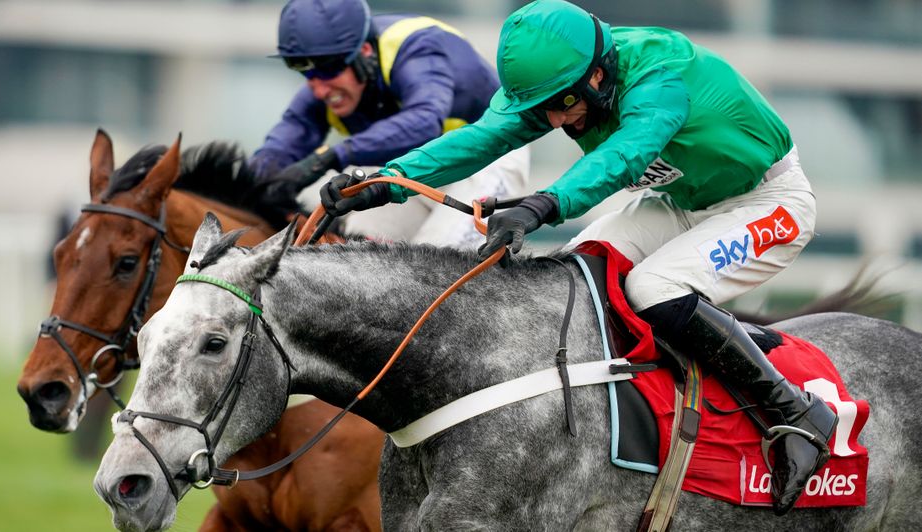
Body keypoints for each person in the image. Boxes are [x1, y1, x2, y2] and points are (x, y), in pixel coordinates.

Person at [319, 0, 836, 515]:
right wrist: (385, 182)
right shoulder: (560, 81)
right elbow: (478, 140)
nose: (556, 119)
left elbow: (622, 158)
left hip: (769, 202)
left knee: (654, 290)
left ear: (597, 72)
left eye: (563, 102)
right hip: (681, 204)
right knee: (571, 278)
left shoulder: (660, 77)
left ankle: (795, 410)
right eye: (544, 108)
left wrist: (541, 206)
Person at [248, 0, 530, 247]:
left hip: (485, 162)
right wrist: (249, 188)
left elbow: (424, 122)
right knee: (353, 261)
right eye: (304, 70)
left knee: (434, 270)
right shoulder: (322, 89)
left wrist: (329, 157)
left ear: (366, 50)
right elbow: (278, 151)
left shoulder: (419, 48)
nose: (319, 89)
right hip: (407, 173)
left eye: (329, 67)